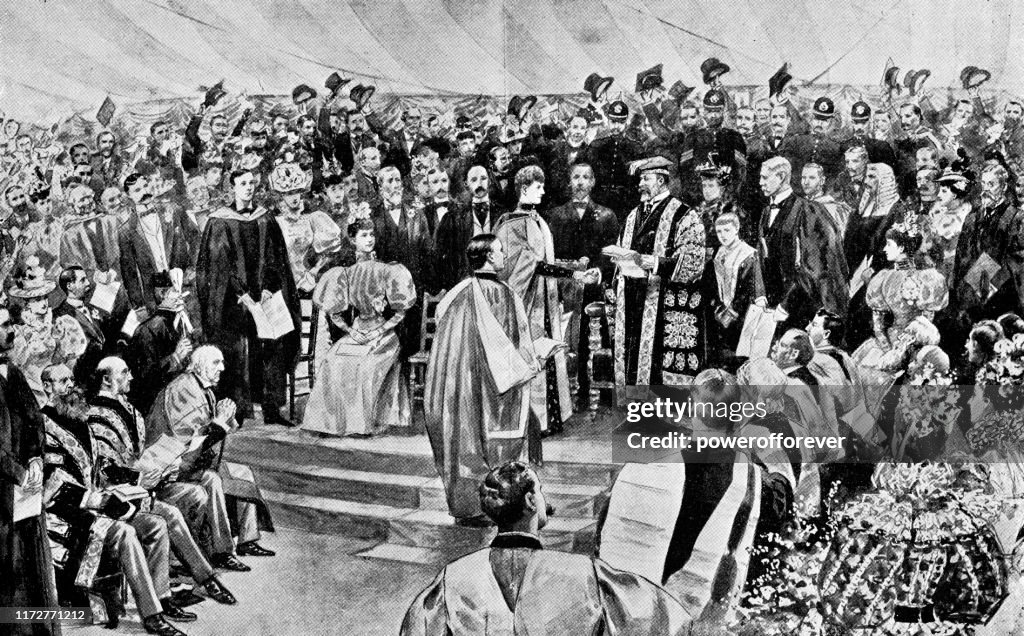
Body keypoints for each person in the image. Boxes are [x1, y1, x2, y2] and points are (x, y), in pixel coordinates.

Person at [41, 363, 236, 635]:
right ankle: (152, 615)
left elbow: (104, 468)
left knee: (157, 523)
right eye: (63, 381)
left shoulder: (79, 419)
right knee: (126, 533)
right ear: (47, 387)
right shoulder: (43, 427)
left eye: (72, 379)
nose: (71, 386)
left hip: (107, 499)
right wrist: (101, 500)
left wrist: (136, 480)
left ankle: (167, 595)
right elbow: (53, 485)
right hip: (68, 515)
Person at [401, 461, 692, 635]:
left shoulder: (453, 577)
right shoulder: (584, 574)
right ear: (530, 502)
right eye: (540, 492)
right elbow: (668, 621)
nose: (545, 501)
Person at [147, 346, 275, 559]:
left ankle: (247, 540)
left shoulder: (203, 389)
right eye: (216, 363)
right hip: (171, 465)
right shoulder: (183, 389)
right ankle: (222, 552)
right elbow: (190, 442)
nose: (222, 368)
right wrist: (220, 421)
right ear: (199, 365)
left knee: (242, 473)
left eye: (222, 363)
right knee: (214, 480)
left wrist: (225, 418)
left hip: (194, 461)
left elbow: (212, 432)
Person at [495, 165, 596, 436]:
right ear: (524, 189)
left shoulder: (537, 219)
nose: (543, 190)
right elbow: (528, 266)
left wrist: (571, 268)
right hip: (526, 303)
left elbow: (544, 261)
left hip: (544, 299)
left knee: (547, 352)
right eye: (538, 187)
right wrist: (571, 272)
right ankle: (532, 421)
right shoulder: (512, 223)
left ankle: (550, 418)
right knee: (533, 354)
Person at [195, 168, 300, 425]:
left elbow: (277, 260)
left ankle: (272, 409)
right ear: (233, 186)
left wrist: (266, 290)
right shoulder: (219, 221)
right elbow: (220, 267)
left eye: (252, 182)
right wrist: (242, 295)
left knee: (270, 346)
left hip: (264, 298)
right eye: (243, 183)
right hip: (234, 303)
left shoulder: (265, 218)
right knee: (237, 351)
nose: (249, 187)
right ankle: (237, 411)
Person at [301, 219, 416, 436]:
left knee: (366, 365)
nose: (370, 239)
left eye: (371, 234)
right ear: (352, 240)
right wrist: (352, 331)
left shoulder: (387, 270)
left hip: (383, 333)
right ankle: (330, 424)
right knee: (333, 361)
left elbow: (401, 311)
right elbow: (334, 312)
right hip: (356, 331)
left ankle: (361, 425)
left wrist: (377, 331)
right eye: (364, 235)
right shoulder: (345, 273)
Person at [614, 156, 707, 391]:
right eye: (640, 179)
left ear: (662, 181)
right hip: (632, 297)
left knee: (658, 365)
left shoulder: (685, 214)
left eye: (646, 179)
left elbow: (693, 262)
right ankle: (634, 407)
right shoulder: (633, 215)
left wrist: (655, 263)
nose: (640, 184)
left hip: (662, 299)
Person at [0, 307, 62, 636]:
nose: (12, 330)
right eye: (5, 325)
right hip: (4, 489)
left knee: (32, 563)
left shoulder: (14, 372)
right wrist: (20, 472)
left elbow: (35, 423)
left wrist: (37, 458)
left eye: (11, 323)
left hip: (26, 484)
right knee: (9, 569)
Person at [756, 156, 849, 334]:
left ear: (782, 177)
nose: (760, 183)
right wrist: (760, 295)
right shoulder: (766, 212)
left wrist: (786, 305)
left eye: (765, 178)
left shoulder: (808, 210)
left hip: (801, 307)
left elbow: (813, 267)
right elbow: (761, 255)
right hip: (771, 307)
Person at [124, 270, 194, 416]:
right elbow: (146, 376)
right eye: (177, 292)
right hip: (156, 407)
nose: (182, 298)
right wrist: (174, 358)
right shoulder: (148, 330)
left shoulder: (177, 322)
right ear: (163, 294)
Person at [269, 162, 342, 292]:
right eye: (289, 193)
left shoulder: (311, 219)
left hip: (306, 283)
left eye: (297, 191)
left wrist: (315, 270)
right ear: (281, 196)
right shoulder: (275, 223)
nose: (294, 197)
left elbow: (330, 249)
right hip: (282, 285)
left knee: (311, 310)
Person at [704, 212, 763, 370]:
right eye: (719, 231)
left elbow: (750, 290)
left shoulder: (749, 254)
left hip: (740, 315)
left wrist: (732, 312)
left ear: (736, 229)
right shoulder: (719, 253)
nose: (722, 236)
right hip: (720, 312)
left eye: (727, 231)